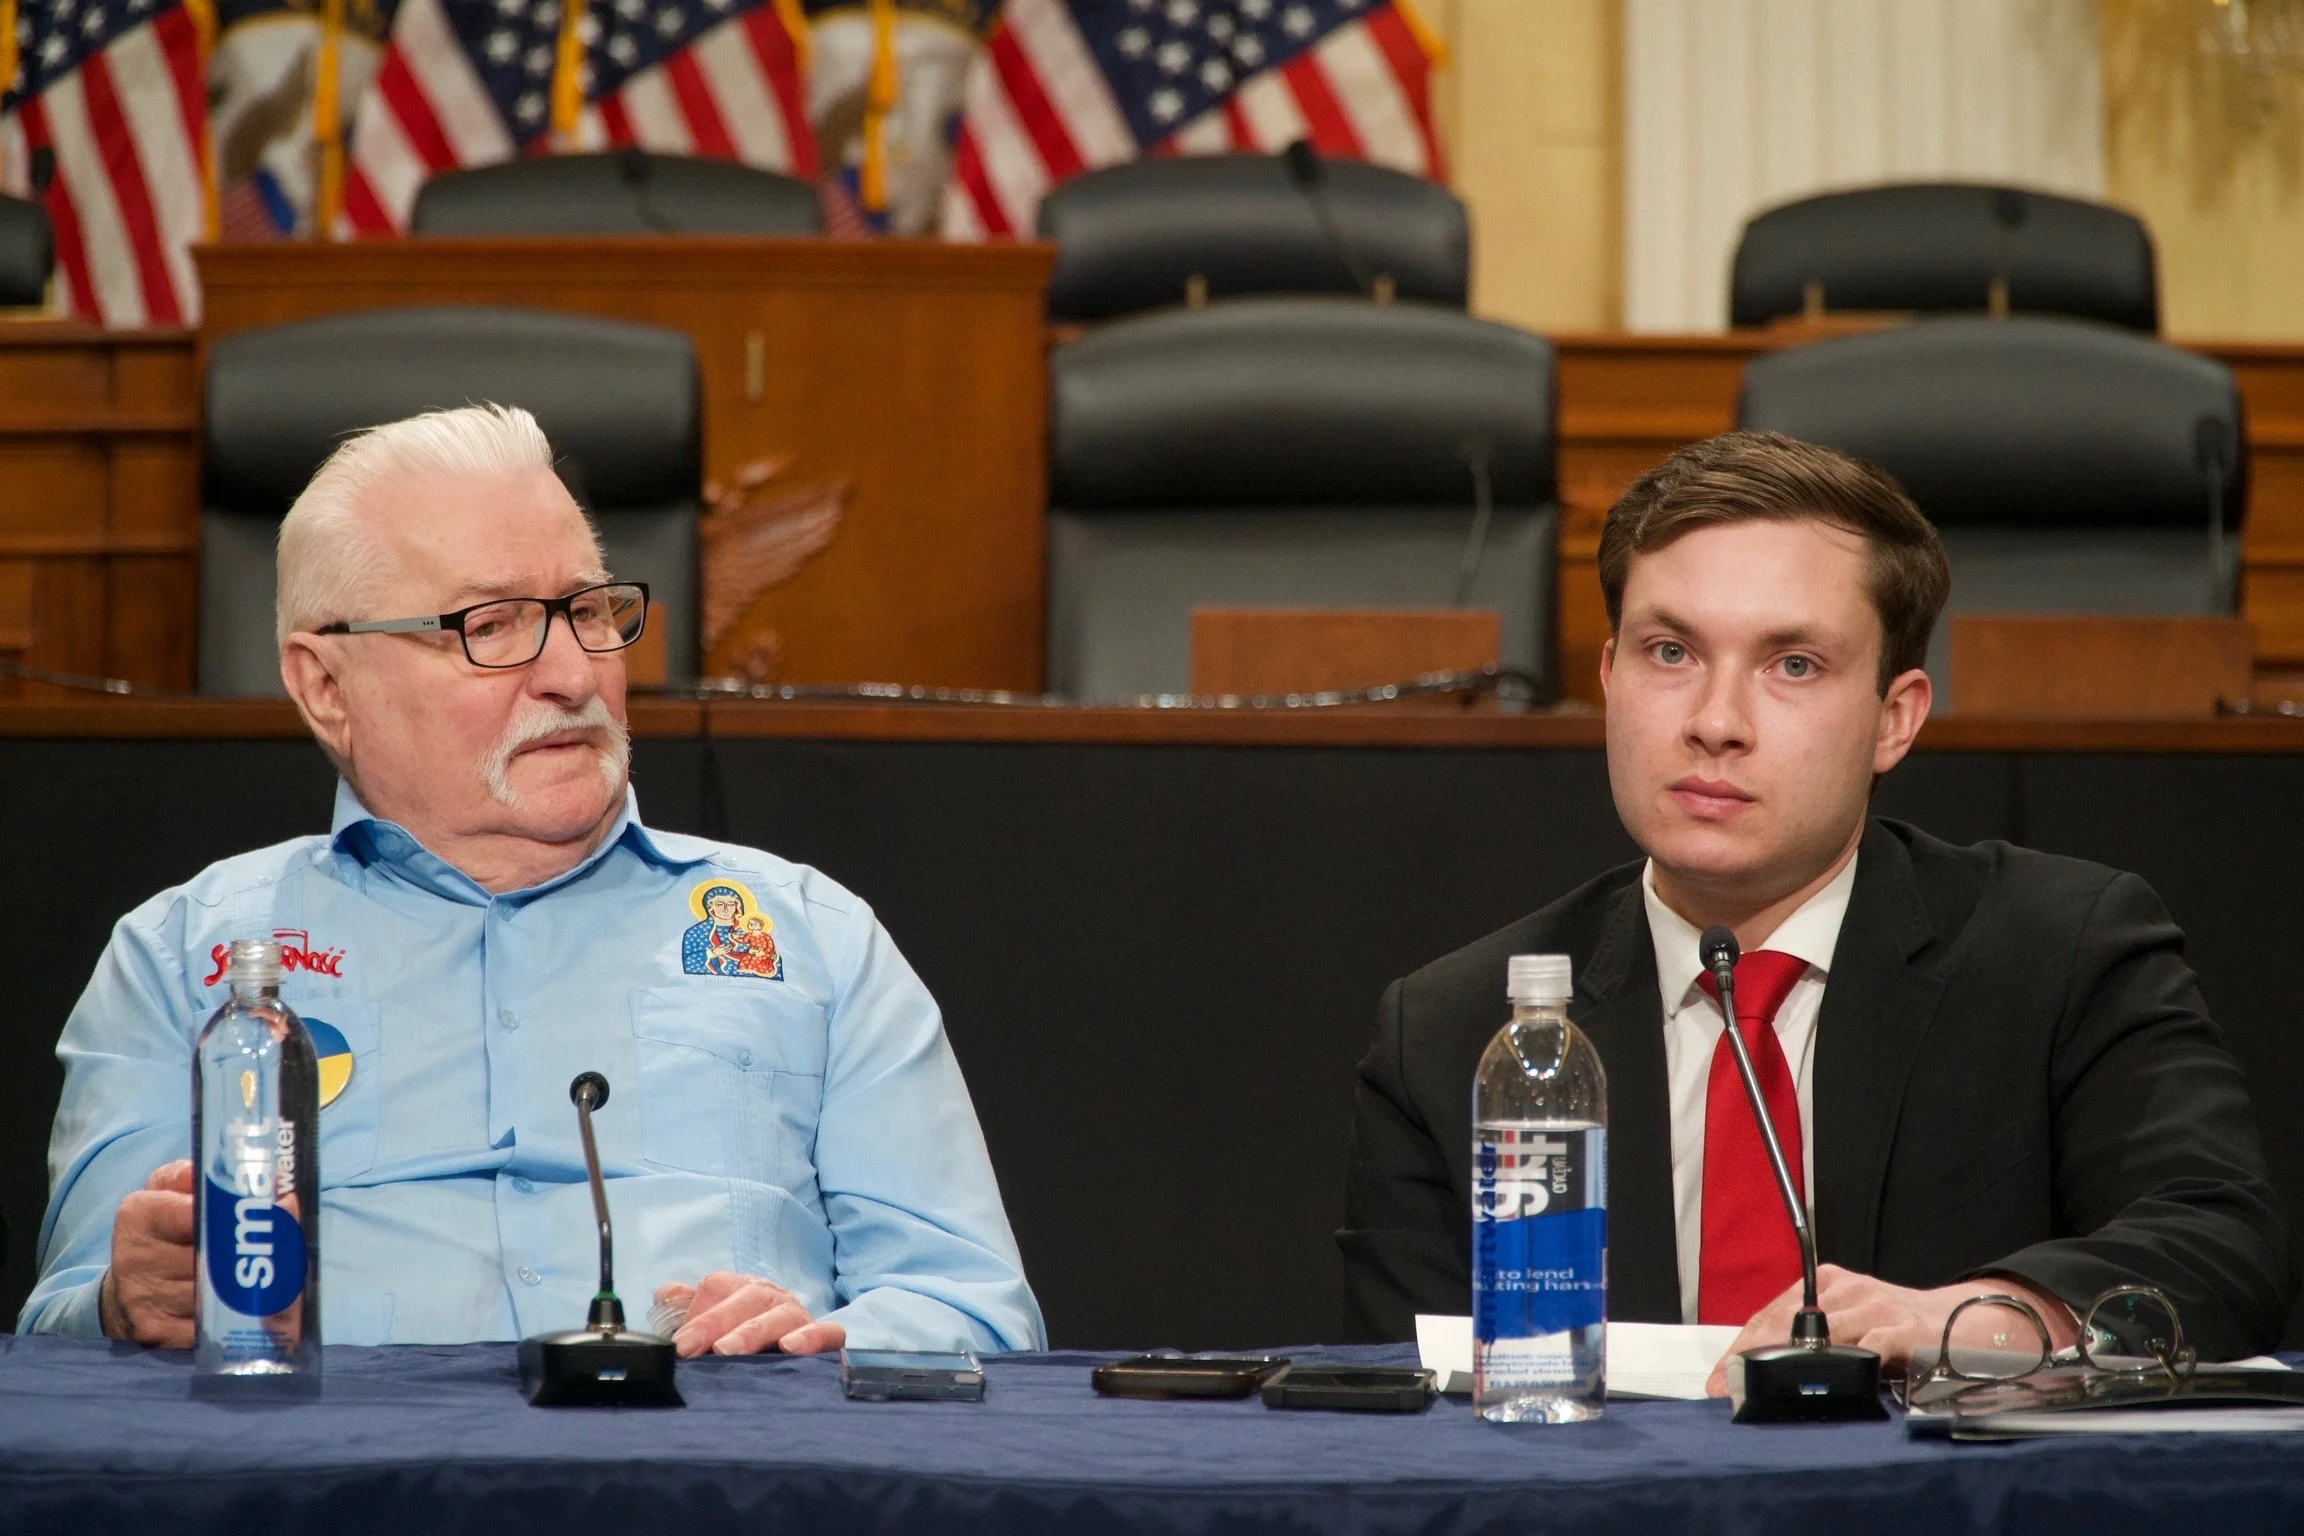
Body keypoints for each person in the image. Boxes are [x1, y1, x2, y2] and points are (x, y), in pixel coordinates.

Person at [20, 404, 1044, 1359]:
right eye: (494, 625)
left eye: (588, 611)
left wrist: (830, 1344)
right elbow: (60, 1335)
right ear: (325, 684)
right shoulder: (182, 959)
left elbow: (976, 1311)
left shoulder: (815, 940)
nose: (572, 673)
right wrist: (126, 1301)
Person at [1337, 430, 2292, 1383]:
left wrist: (1955, 1320)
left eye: (1792, 665)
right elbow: (1405, 1410)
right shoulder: (1453, 1031)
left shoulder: (2061, 956)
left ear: (1895, 718)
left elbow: (2221, 1249)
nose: (1715, 721)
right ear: (1608, 678)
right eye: (1670, 651)